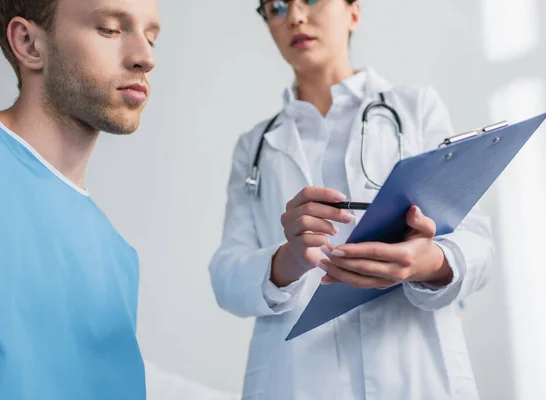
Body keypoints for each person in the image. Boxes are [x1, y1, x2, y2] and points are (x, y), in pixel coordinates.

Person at [209, 0, 494, 399]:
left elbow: (477, 242)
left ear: (354, 12)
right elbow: (225, 277)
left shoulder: (416, 110)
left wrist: (427, 262)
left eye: (309, 0)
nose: (294, 16)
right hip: (298, 380)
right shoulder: (254, 147)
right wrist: (287, 260)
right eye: (275, 6)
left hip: (414, 374)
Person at [0, 0, 159, 398]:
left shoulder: (119, 260)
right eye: (109, 29)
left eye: (151, 36)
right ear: (29, 44)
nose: (145, 57)